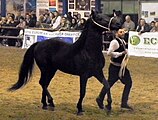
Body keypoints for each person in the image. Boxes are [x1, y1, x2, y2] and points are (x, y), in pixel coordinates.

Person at [96, 28, 133, 111]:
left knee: (128, 83)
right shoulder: (115, 42)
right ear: (116, 33)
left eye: (123, 31)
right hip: (115, 68)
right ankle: (100, 98)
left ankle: (124, 103)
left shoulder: (122, 41)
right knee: (109, 84)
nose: (123, 33)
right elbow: (109, 53)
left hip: (122, 67)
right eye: (120, 32)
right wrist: (120, 54)